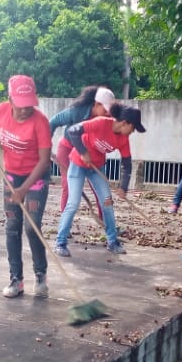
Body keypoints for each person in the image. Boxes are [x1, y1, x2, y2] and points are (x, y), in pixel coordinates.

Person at [0, 75, 52, 298]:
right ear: (10, 99)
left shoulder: (40, 122)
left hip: (35, 177)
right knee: (12, 226)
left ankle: (41, 276)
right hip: (11, 176)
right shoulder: (1, 111)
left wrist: (24, 190)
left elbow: (44, 161)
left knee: (32, 226)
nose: (25, 110)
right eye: (20, 105)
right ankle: (16, 280)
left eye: (29, 105)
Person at [54, 104, 146, 257]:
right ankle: (60, 242)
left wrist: (123, 187)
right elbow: (73, 131)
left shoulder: (123, 139)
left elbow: (127, 164)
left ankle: (112, 241)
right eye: (133, 128)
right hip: (78, 164)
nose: (133, 132)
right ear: (125, 123)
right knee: (73, 203)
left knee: (107, 202)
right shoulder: (102, 122)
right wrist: (83, 152)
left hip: (97, 168)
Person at [48, 86, 115, 216]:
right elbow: (53, 122)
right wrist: (47, 146)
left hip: (92, 154)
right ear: (96, 104)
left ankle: (108, 223)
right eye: (106, 109)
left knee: (101, 189)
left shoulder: (109, 117)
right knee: (69, 188)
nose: (108, 113)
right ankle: (65, 227)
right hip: (68, 150)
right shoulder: (76, 111)